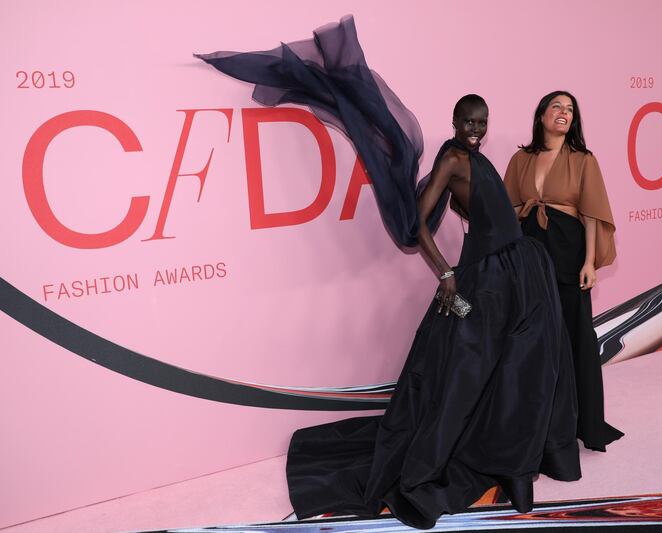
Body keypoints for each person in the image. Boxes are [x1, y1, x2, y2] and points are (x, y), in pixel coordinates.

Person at [197, 18, 581, 529]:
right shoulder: (451, 156)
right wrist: (445, 274)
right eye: (468, 123)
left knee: (521, 374)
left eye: (482, 124)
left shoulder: (476, 157)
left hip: (519, 273)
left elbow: (475, 209)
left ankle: (518, 463)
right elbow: (413, 223)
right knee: (483, 376)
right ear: (453, 121)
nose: (475, 131)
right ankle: (503, 466)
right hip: (488, 281)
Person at [503, 91, 624, 452]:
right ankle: (534, 418)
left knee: (573, 335)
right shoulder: (520, 159)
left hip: (568, 251)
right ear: (541, 115)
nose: (564, 113)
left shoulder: (583, 160)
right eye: (557, 106)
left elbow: (591, 215)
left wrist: (589, 262)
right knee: (531, 334)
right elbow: (508, 211)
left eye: (570, 109)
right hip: (529, 250)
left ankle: (580, 421)